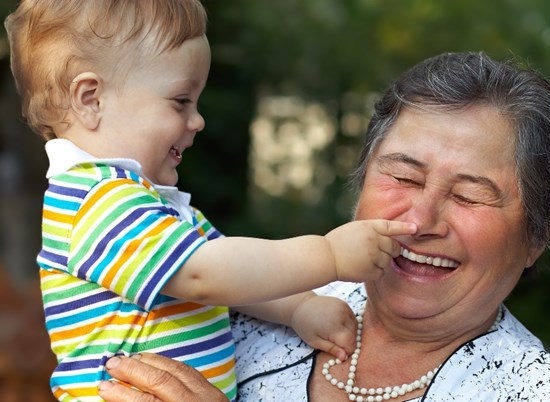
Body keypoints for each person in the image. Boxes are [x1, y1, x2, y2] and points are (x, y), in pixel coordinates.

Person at [97, 51, 550, 401]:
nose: (419, 221)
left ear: (538, 237)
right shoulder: (240, 305)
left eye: (468, 195)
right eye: (403, 177)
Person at [3, 1, 417, 401]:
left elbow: (234, 279)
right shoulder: (99, 204)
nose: (198, 121)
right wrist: (328, 255)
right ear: (90, 98)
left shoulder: (145, 202)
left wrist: (298, 309)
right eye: (181, 101)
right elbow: (207, 276)